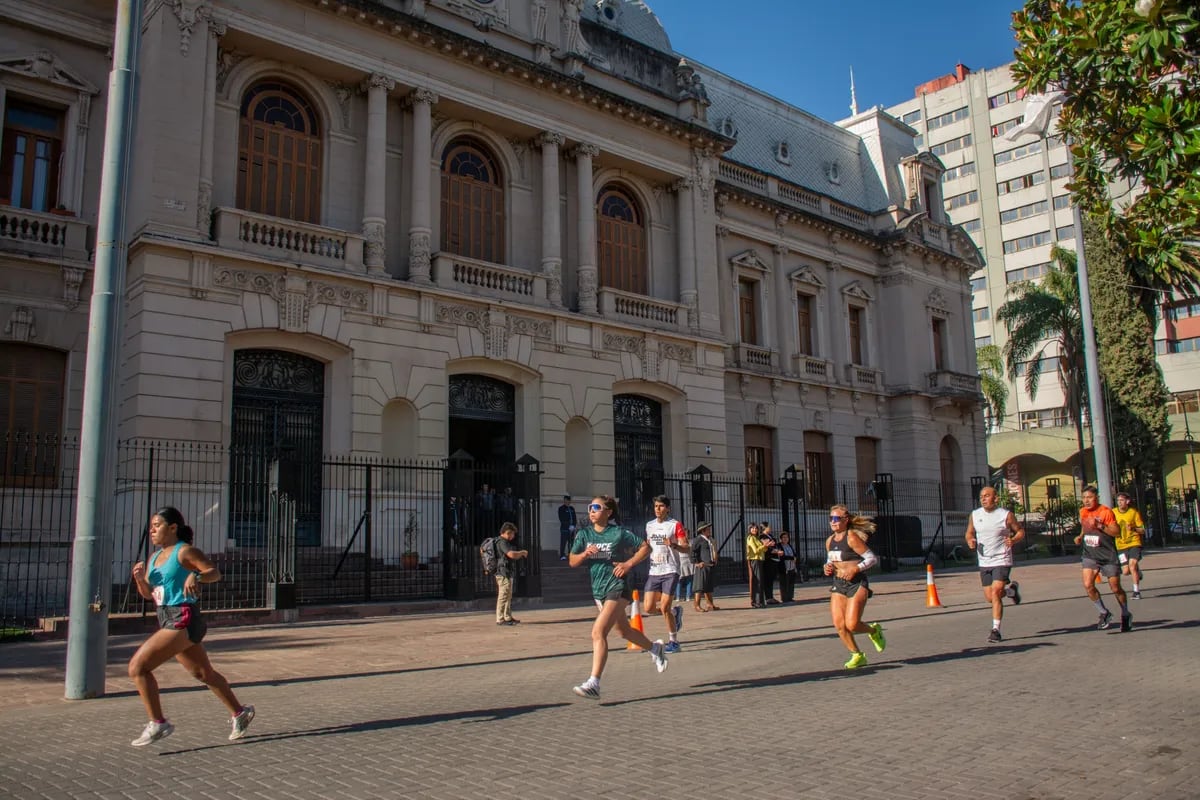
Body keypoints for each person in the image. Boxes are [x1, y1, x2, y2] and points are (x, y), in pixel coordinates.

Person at [127, 507, 254, 746]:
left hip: (183, 617)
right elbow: (148, 594)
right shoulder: (154, 558)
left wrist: (195, 576)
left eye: (157, 525)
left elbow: (213, 573)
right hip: (166, 616)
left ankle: (158, 723)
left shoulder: (184, 552)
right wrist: (139, 580)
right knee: (202, 673)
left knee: (137, 668)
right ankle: (240, 712)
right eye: (151, 526)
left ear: (172, 528)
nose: (152, 530)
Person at [568, 495, 667, 699]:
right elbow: (572, 561)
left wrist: (628, 564)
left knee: (598, 632)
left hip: (619, 586)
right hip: (599, 590)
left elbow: (645, 547)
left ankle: (594, 683)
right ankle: (655, 649)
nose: (592, 511)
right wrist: (584, 554)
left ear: (608, 512)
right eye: (590, 507)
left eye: (596, 507)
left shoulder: (618, 533)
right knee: (623, 632)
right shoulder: (584, 534)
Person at [823, 504, 886, 669]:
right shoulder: (829, 541)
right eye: (831, 518)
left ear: (846, 520)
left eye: (837, 519)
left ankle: (874, 631)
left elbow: (872, 559)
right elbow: (831, 560)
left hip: (856, 582)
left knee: (852, 624)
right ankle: (857, 655)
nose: (833, 522)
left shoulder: (851, 537)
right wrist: (827, 567)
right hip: (839, 583)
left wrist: (855, 569)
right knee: (839, 625)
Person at [964, 486, 1025, 643]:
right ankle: (1011, 592)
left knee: (996, 592)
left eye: (987, 496)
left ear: (996, 498)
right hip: (984, 561)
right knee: (990, 597)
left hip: (1002, 559)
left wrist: (1014, 540)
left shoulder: (1005, 515)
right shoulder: (975, 515)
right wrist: (970, 540)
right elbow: (969, 532)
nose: (983, 498)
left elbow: (1020, 531)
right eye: (981, 496)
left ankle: (995, 630)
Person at [1074, 486, 1132, 632]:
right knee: (1088, 585)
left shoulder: (1106, 512)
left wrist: (1100, 525)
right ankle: (1104, 613)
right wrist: (1080, 536)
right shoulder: (1083, 511)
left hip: (1107, 555)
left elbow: (1116, 532)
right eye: (1084, 498)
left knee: (1115, 587)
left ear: (1096, 498)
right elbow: (1084, 526)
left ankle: (1125, 613)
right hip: (1090, 554)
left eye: (1089, 497)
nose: (1086, 501)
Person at [642, 495, 689, 653]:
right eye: (656, 506)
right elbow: (648, 546)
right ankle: (676, 613)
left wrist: (674, 545)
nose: (658, 509)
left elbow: (686, 547)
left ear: (667, 508)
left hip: (670, 570)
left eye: (661, 506)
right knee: (648, 608)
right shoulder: (649, 525)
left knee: (664, 607)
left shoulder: (675, 525)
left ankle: (674, 641)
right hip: (654, 570)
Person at [494, 521, 528, 626]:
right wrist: (522, 553)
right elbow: (511, 554)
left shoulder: (502, 541)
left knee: (508, 595)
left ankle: (507, 616)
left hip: (507, 572)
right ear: (508, 532)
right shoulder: (502, 542)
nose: (513, 536)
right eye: (513, 533)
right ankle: (500, 618)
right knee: (503, 595)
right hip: (503, 572)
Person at [1113, 492, 1146, 599]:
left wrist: (1133, 528)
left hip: (1134, 543)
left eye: (1121, 500)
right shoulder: (1113, 512)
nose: (1119, 502)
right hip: (1120, 545)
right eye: (1118, 500)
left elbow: (1142, 530)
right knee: (1126, 571)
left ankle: (1136, 592)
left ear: (1127, 501)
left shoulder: (1133, 513)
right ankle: (1137, 571)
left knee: (1132, 565)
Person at [691, 521, 719, 611]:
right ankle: (697, 605)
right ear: (703, 530)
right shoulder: (698, 540)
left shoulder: (710, 539)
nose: (709, 530)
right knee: (699, 587)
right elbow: (692, 552)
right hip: (702, 566)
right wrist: (696, 562)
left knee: (708, 586)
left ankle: (710, 604)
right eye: (707, 529)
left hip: (710, 565)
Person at [674, 518, 695, 616]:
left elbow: (691, 551)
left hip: (689, 561)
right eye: (685, 533)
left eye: (687, 533)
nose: (686, 535)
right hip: (680, 561)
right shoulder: (679, 542)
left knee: (689, 579)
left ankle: (688, 596)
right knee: (679, 579)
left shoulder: (691, 542)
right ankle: (678, 596)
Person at [761, 522, 783, 604]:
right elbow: (767, 549)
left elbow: (774, 545)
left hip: (774, 559)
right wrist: (776, 552)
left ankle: (770, 596)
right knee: (768, 579)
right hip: (768, 560)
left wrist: (777, 550)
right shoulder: (762, 536)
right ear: (765, 527)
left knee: (771, 579)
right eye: (769, 527)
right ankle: (768, 597)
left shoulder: (771, 536)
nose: (770, 528)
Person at [745, 523, 766, 607]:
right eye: (752, 528)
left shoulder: (757, 538)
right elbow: (755, 550)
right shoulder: (750, 538)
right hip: (754, 560)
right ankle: (756, 601)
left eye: (756, 528)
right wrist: (763, 546)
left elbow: (763, 549)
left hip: (760, 560)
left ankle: (760, 601)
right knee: (757, 580)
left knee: (760, 581)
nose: (754, 530)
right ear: (749, 529)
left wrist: (765, 546)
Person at [777, 531, 797, 603]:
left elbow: (794, 554)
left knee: (791, 582)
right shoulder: (779, 546)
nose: (785, 539)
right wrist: (791, 558)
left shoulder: (789, 545)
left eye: (787, 537)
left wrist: (794, 557)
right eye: (784, 537)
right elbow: (782, 556)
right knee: (784, 583)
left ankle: (790, 597)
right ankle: (784, 598)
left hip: (791, 566)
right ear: (781, 539)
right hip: (784, 566)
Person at [557, 495, 578, 561]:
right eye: (565, 500)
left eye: (568, 500)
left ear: (570, 501)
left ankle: (570, 554)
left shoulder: (572, 508)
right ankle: (562, 555)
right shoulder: (561, 508)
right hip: (564, 529)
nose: (566, 502)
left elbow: (574, 518)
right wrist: (568, 525)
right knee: (563, 542)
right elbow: (562, 519)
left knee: (571, 543)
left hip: (572, 529)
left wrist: (573, 526)